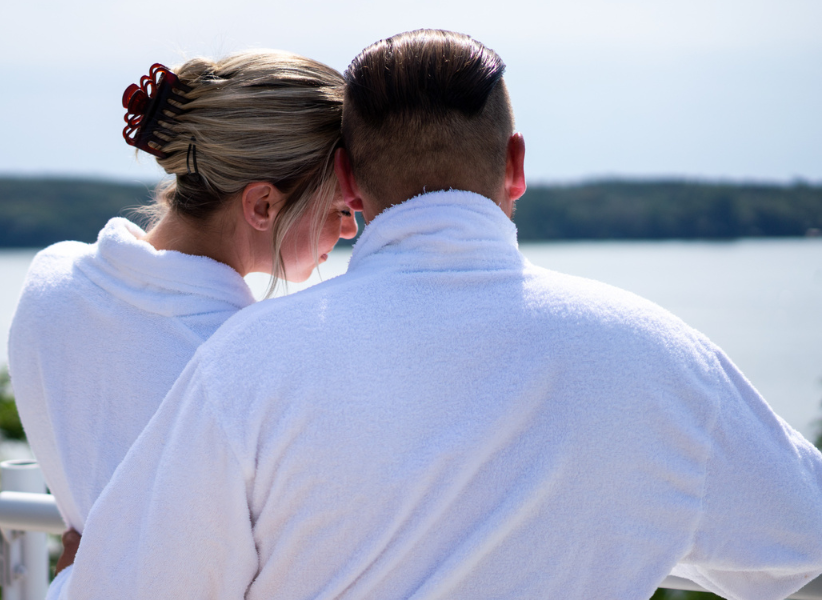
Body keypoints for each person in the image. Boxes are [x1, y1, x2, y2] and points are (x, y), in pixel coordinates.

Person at [53, 29, 822, 600]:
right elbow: (800, 534)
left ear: (348, 179)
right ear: (515, 166)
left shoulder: (244, 364)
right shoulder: (660, 359)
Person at [6, 50, 358, 576]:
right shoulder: (253, 362)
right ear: (262, 205)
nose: (351, 229)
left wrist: (87, 573)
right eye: (339, 208)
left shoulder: (50, 282)